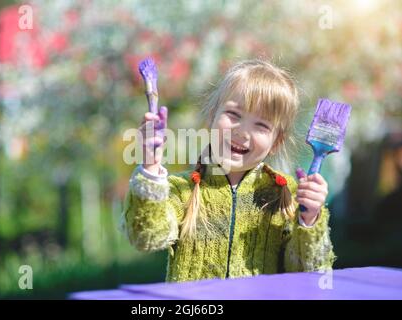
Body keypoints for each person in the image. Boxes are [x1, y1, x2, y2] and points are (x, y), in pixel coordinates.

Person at [121, 60, 335, 282]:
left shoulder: (288, 195)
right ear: (212, 116)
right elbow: (146, 237)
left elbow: (312, 274)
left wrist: (309, 219)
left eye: (261, 125)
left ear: (276, 142)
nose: (242, 131)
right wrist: (150, 169)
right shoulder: (182, 189)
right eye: (234, 114)